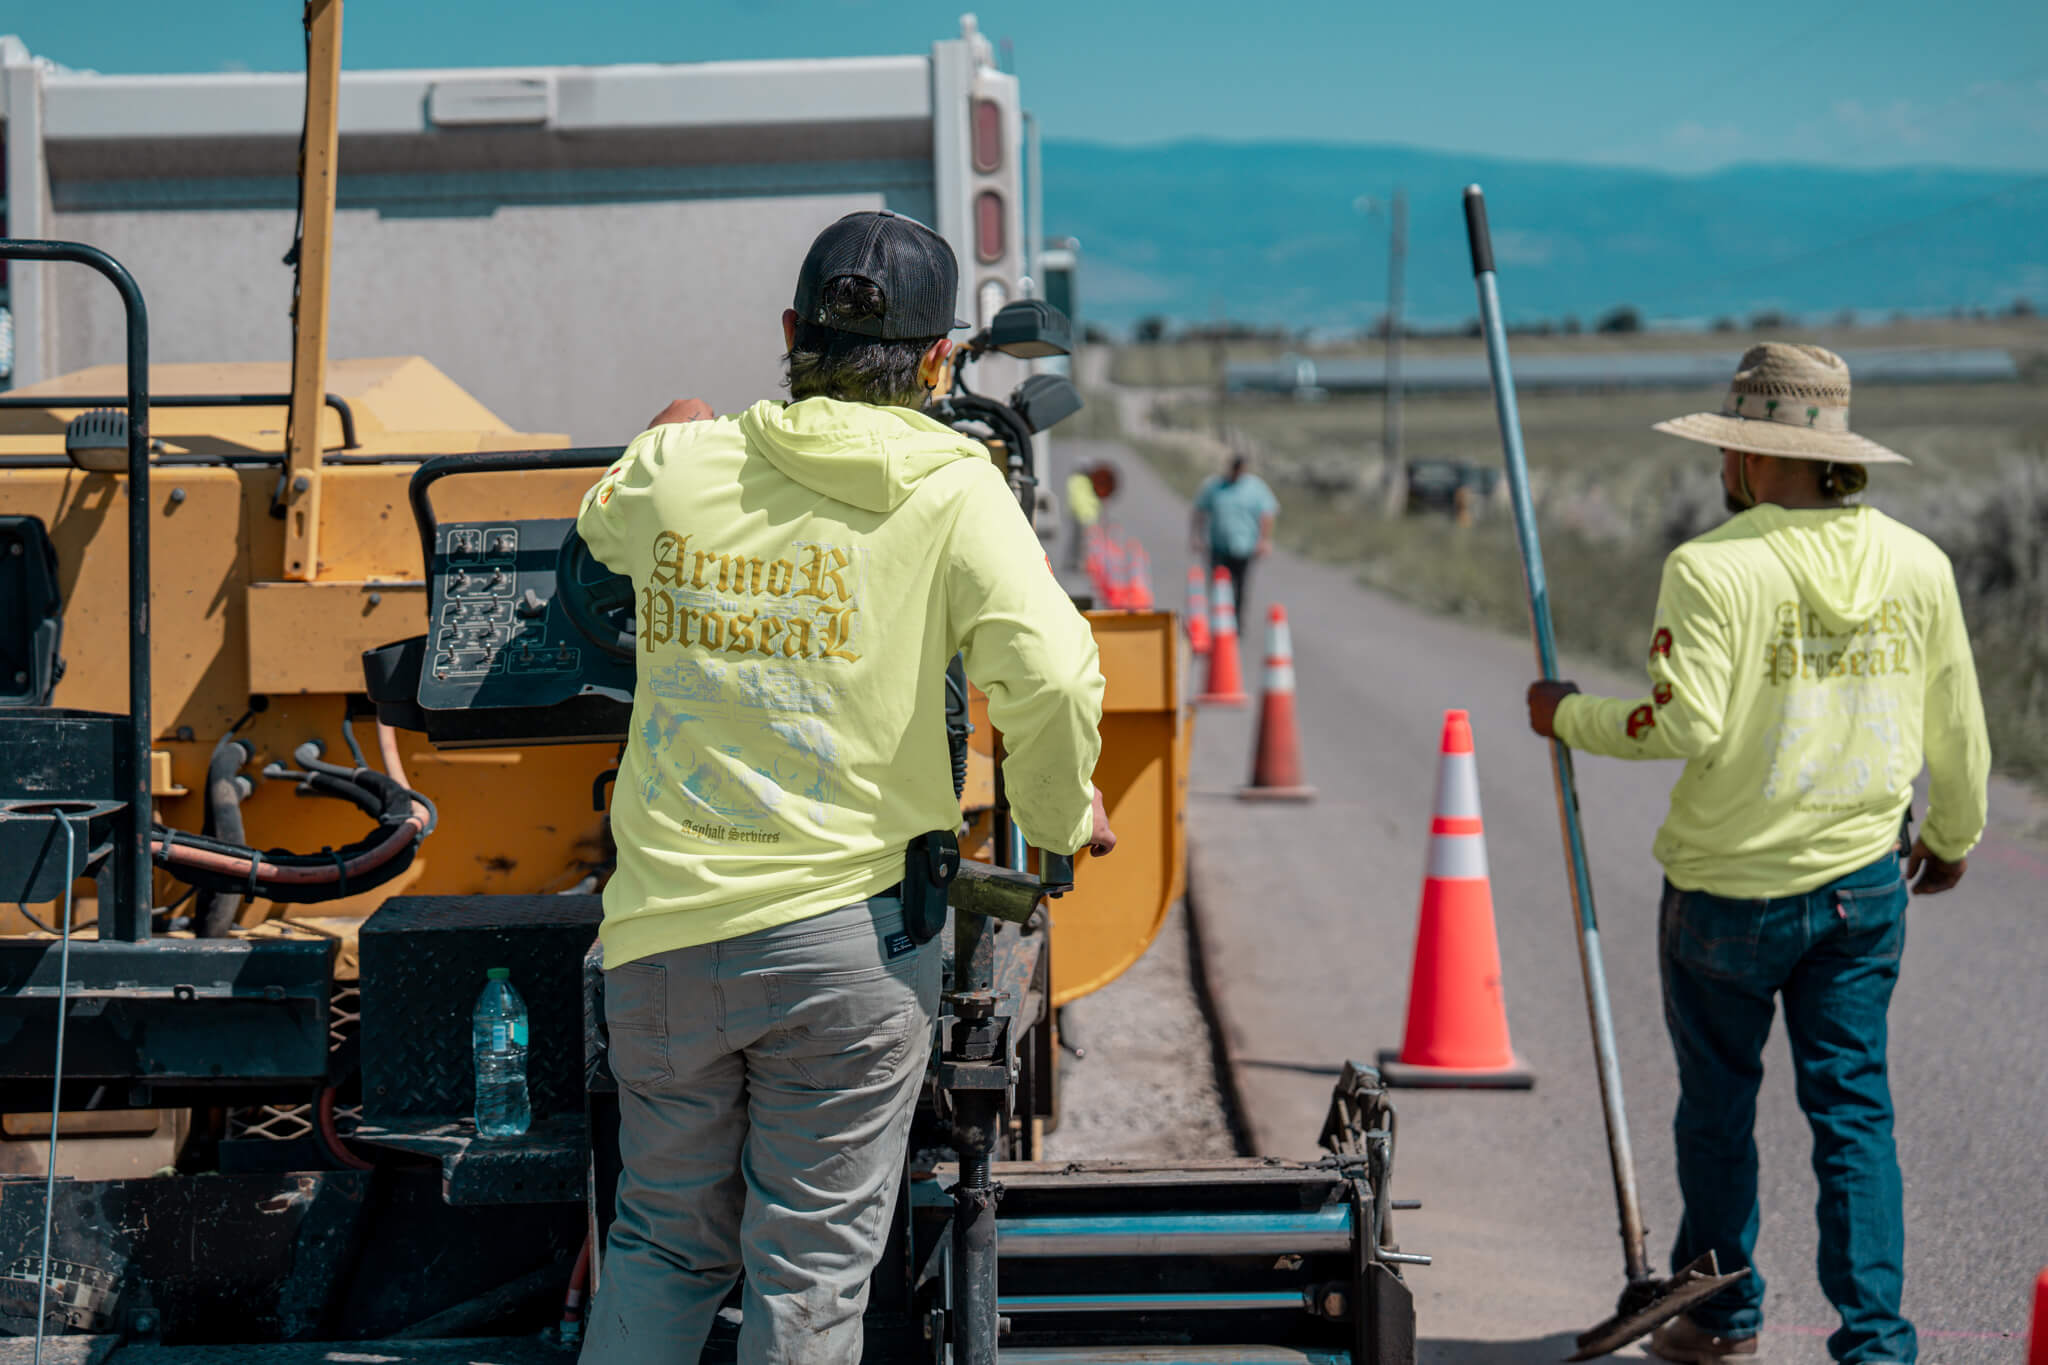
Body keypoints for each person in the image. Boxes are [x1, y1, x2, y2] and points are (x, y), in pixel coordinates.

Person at [576, 208, 1117, 1364]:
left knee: (661, 1244)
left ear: (789, 332)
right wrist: (1063, 816)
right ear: (938, 361)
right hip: (848, 947)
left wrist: (664, 432)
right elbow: (1054, 675)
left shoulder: (680, 466)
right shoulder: (956, 488)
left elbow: (600, 534)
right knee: (810, 1266)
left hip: (662, 943)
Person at [1524, 344, 1989, 1365]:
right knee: (1852, 1111)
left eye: (1728, 445)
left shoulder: (1711, 567)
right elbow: (1956, 726)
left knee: (1718, 1108)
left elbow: (1680, 724)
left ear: (1746, 455)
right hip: (1861, 887)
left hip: (1725, 892)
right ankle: (1876, 1345)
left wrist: (1568, 715)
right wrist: (1951, 836)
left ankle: (1721, 1316)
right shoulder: (1917, 563)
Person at [1190, 453, 1277, 620]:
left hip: (1244, 546)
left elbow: (1267, 514)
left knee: (1240, 585)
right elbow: (1199, 510)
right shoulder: (1214, 486)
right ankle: (1218, 619)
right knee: (1219, 584)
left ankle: (1236, 621)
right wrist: (1196, 536)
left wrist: (1264, 540)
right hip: (1218, 545)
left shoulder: (1256, 488)